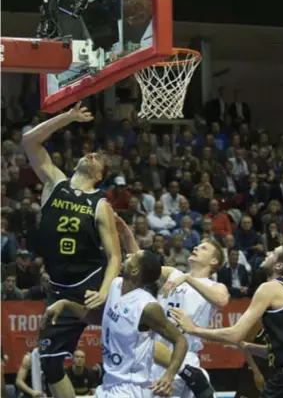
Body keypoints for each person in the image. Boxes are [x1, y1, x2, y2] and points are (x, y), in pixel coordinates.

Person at [22, 102, 122, 398]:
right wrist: (67, 117)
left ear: (100, 175)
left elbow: (115, 256)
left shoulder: (100, 204)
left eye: (97, 158)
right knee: (50, 363)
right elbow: (29, 141)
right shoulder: (55, 182)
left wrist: (104, 290)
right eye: (89, 152)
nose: (89, 155)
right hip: (58, 288)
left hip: (89, 284)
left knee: (127, 333)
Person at [171, 236, 283, 398]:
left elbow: (234, 335)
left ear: (279, 265)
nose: (268, 252)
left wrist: (193, 329)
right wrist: (249, 347)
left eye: (274, 252)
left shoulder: (270, 288)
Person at [41, 250, 188, 398]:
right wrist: (66, 304)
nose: (128, 255)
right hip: (109, 383)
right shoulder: (115, 285)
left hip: (131, 388)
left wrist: (169, 375)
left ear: (135, 270)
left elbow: (180, 340)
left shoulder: (147, 306)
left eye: (133, 257)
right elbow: (99, 318)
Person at [116, 216, 229, 398]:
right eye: (197, 246)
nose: (195, 248)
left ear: (214, 261)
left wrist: (188, 278)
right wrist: (124, 231)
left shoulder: (214, 286)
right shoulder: (173, 274)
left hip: (185, 355)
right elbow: (142, 261)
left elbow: (222, 300)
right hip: (156, 354)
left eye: (203, 248)